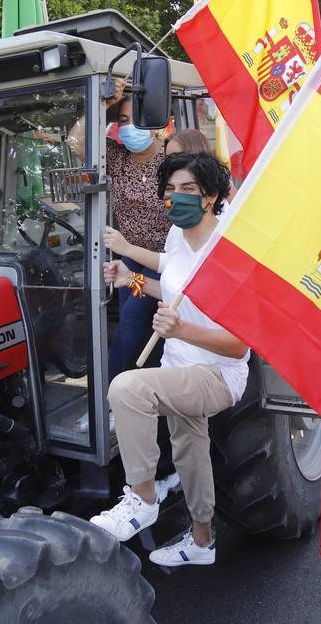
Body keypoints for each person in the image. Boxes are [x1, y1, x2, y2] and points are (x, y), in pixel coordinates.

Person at [92, 152, 248, 567]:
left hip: (216, 374)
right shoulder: (179, 236)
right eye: (170, 190)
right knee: (188, 452)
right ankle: (201, 541)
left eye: (188, 190)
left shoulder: (229, 252)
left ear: (211, 197)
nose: (176, 198)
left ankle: (142, 499)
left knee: (127, 388)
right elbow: (174, 280)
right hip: (177, 367)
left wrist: (182, 331)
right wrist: (133, 279)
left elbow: (239, 347)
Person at [100, 78, 170, 379]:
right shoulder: (117, 160)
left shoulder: (172, 158)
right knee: (136, 327)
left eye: (136, 119)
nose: (129, 126)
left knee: (134, 325)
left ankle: (119, 393)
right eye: (123, 120)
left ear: (153, 122)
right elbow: (76, 143)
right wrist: (104, 102)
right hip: (132, 262)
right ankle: (126, 392)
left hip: (165, 262)